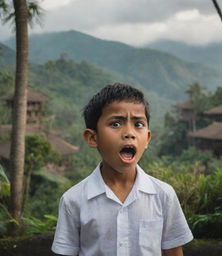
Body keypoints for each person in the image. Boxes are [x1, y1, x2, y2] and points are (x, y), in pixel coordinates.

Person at [52, 83, 193, 256]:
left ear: (147, 138)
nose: (129, 133)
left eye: (139, 124)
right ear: (92, 138)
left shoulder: (164, 195)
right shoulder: (73, 201)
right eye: (116, 123)